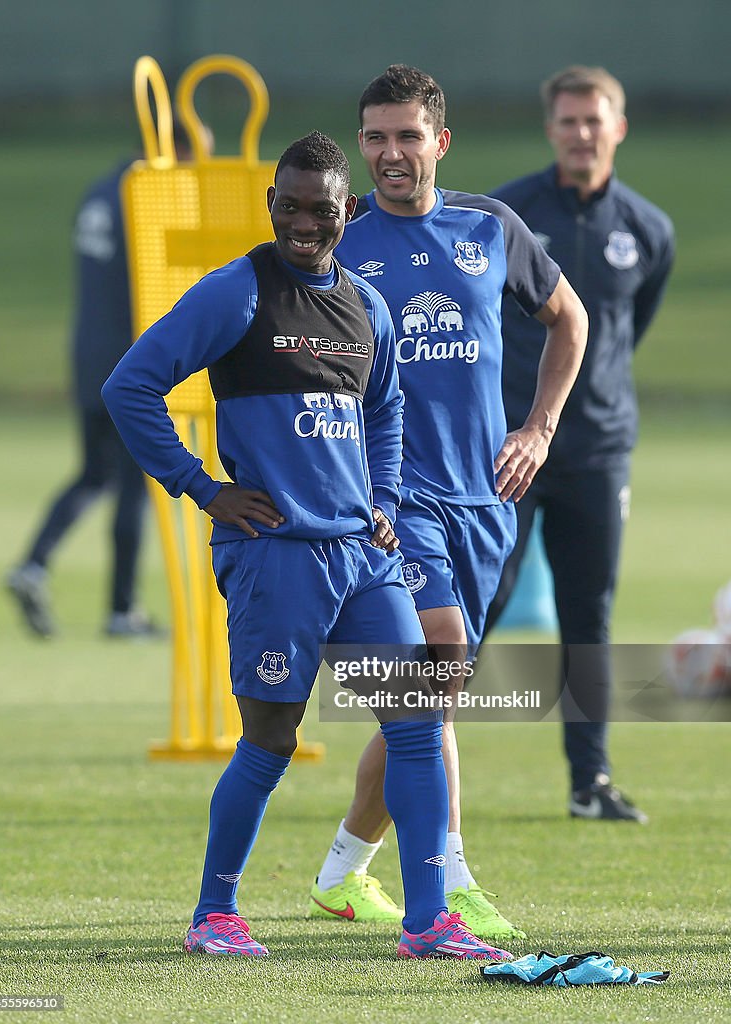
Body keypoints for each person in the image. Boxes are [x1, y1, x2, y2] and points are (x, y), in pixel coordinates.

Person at [102, 131, 513, 961]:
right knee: (271, 738)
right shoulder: (236, 294)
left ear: (344, 212)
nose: (302, 223)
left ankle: (429, 920)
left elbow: (389, 410)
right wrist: (204, 487)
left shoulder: (368, 306)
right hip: (276, 554)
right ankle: (214, 913)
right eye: (287, 206)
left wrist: (385, 500)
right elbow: (131, 385)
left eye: (320, 210)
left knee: (418, 717)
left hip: (363, 554)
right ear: (271, 206)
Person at [308, 66, 588, 941]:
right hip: (396, 504)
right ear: (361, 146)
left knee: (429, 692)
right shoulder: (337, 242)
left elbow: (569, 321)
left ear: (440, 142)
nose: (392, 154)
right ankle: (451, 876)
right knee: (441, 658)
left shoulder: (489, 228)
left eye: (407, 137)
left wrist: (538, 430)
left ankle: (347, 867)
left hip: (486, 501)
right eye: (377, 138)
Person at [483, 66, 675, 823]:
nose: (581, 133)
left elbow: (630, 329)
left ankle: (589, 781)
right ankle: (414, 753)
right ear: (550, 129)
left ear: (617, 127)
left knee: (587, 613)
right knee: (479, 603)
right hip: (508, 448)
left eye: (594, 120)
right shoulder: (507, 216)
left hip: (598, 451)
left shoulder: (647, 230)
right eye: (568, 121)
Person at [5, 125, 203, 638]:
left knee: (95, 474)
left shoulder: (99, 190)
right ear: (172, 148)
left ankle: (33, 564)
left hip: (87, 353)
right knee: (133, 485)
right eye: (193, 154)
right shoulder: (148, 196)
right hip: (128, 362)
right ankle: (121, 610)